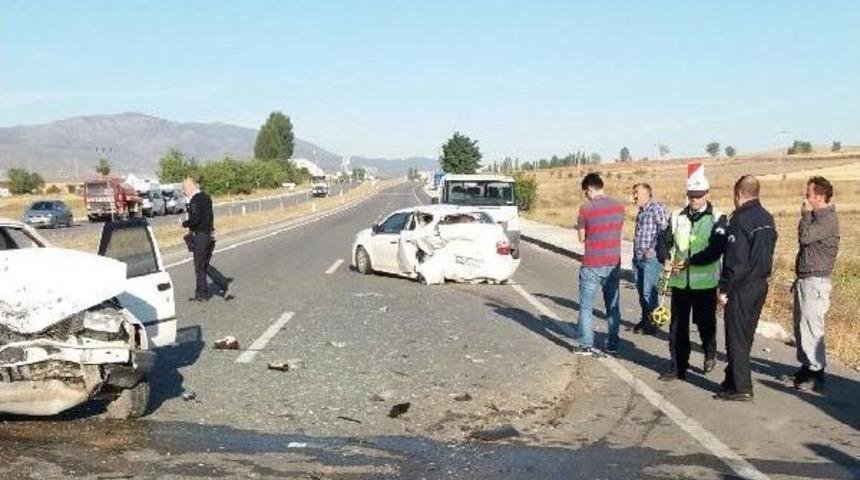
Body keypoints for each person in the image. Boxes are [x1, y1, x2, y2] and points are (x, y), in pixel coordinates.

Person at [657, 163, 727, 380]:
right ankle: (677, 366)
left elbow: (716, 249)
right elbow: (663, 241)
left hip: (705, 284)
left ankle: (709, 351)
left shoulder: (718, 217)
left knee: (705, 324)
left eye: (698, 195)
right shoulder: (677, 215)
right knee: (678, 327)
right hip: (679, 283)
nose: (694, 199)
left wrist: (691, 262)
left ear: (707, 193)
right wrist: (665, 259)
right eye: (691, 195)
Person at [715, 175, 777, 401]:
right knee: (745, 335)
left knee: (736, 337)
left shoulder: (740, 220)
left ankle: (742, 387)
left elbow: (736, 260)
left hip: (742, 286)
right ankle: (732, 379)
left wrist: (724, 289)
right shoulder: (767, 218)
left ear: (738, 194)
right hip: (760, 284)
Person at [792, 176, 839, 391]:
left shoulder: (827, 219)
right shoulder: (816, 217)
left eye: (809, 194)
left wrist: (805, 216)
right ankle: (806, 364)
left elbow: (805, 237)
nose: (805, 197)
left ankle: (815, 369)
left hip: (816, 280)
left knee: (812, 326)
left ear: (819, 197)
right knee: (801, 326)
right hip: (806, 278)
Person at [573, 173, 624, 355]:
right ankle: (613, 344)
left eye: (586, 192)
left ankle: (586, 344)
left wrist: (580, 227)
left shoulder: (585, 208)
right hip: (613, 262)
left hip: (592, 263)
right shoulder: (619, 207)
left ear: (591, 189)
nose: (586, 196)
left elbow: (581, 237)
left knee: (586, 306)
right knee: (612, 306)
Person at [182, 177, 232, 301]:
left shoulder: (195, 200)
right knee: (203, 264)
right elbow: (207, 216)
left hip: (201, 236)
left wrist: (185, 224)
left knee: (199, 266)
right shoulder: (206, 197)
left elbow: (196, 219)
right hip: (209, 235)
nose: (184, 191)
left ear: (190, 187)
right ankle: (220, 283)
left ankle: (203, 293)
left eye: (184, 188)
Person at [631, 183, 670, 334]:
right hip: (638, 258)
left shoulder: (656, 208)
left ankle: (652, 323)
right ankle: (645, 319)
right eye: (633, 193)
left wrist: (653, 250)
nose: (634, 196)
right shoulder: (641, 212)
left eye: (637, 193)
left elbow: (665, 231)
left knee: (649, 292)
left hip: (650, 260)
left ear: (647, 194)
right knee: (641, 292)